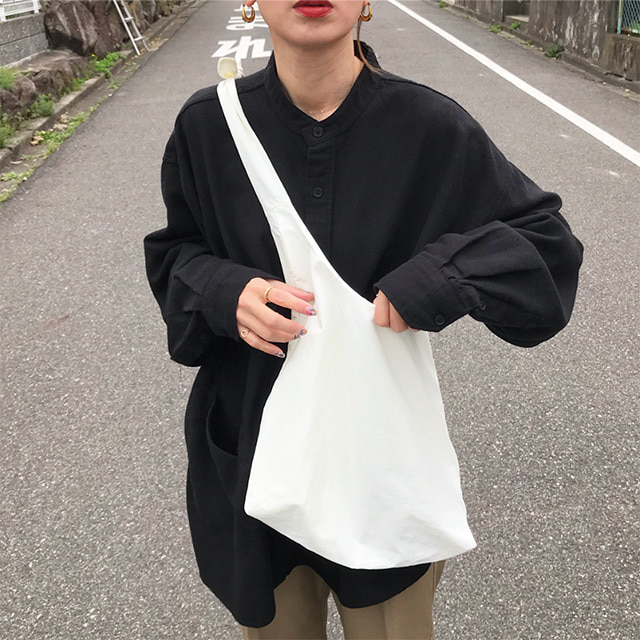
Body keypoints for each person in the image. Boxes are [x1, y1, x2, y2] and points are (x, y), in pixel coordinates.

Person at [143, 1, 583, 638]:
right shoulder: (209, 125)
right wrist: (223, 290)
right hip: (253, 443)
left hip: (379, 455)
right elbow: (176, 253)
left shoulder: (427, 126)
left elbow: (546, 244)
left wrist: (439, 278)